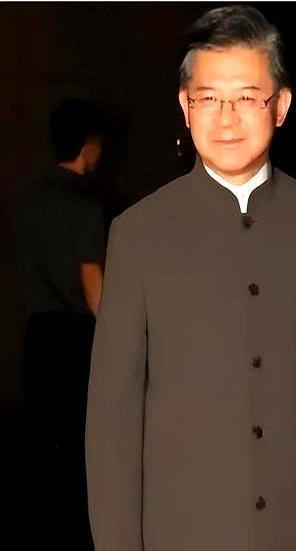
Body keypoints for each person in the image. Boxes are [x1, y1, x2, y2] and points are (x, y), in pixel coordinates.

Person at [85, 6, 296, 551]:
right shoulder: (138, 233)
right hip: (181, 530)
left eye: (248, 97)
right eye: (208, 98)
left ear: (281, 106)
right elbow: (113, 419)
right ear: (185, 106)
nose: (227, 118)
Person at [17, 97, 106, 549]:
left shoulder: (30, 201)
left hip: (38, 332)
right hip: (75, 337)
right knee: (76, 444)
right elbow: (92, 284)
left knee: (40, 443)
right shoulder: (86, 206)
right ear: (89, 144)